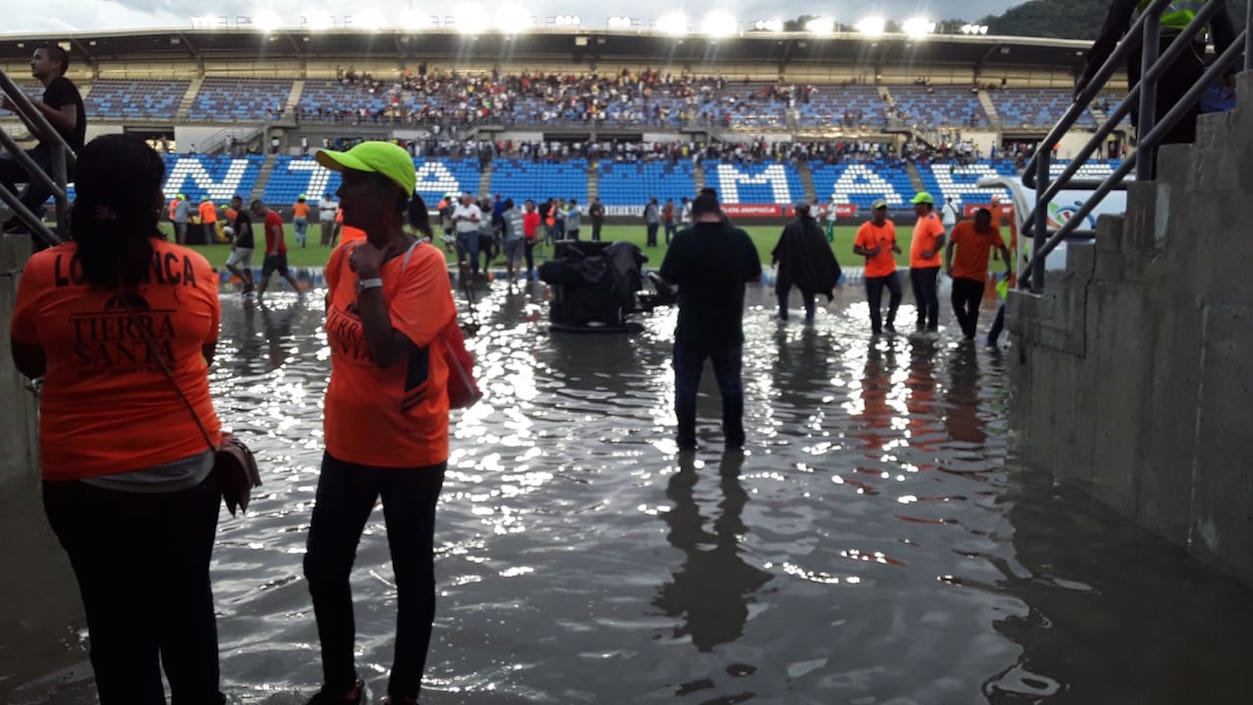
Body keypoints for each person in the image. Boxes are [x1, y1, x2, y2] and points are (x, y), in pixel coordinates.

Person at [9, 133, 225, 705]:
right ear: (154, 202)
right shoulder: (194, 268)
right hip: (185, 475)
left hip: (83, 482)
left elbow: (29, 358)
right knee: (188, 614)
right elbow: (202, 355)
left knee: (114, 626)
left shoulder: (40, 271)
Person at [306, 141, 457, 705]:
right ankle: (341, 686)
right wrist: (359, 270)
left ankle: (404, 696)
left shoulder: (425, 264)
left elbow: (388, 349)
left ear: (390, 194)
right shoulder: (343, 253)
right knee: (322, 565)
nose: (339, 191)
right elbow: (338, 329)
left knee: (411, 574)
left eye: (352, 182)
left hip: (409, 449)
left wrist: (371, 280)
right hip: (346, 441)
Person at [657, 191, 762, 451]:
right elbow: (756, 276)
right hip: (728, 328)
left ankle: (686, 443)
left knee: (686, 388)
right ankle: (734, 443)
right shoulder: (739, 238)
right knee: (731, 387)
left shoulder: (683, 240)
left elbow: (667, 279)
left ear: (693, 215)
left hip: (692, 328)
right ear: (720, 211)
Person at [1077, 0, 1236, 151]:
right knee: (1182, 134)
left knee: (1150, 136)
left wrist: (1090, 73)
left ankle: (1153, 174)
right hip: (1189, 57)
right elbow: (1221, 21)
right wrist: (1230, 69)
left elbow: (1114, 25)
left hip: (1149, 57)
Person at [0, 45, 86, 242]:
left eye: (38, 58)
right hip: (49, 153)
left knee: (37, 178)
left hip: (58, 156)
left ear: (55, 64)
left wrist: (34, 104)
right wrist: (20, 110)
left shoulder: (61, 85)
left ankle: (23, 212)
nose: (32, 62)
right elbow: (43, 135)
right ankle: (24, 211)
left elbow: (69, 121)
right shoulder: (50, 92)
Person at [945, 207, 1012, 341]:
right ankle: (967, 330)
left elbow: (1003, 248)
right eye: (980, 223)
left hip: (978, 278)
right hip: (960, 274)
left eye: (985, 224)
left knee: (973, 307)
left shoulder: (992, 231)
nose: (982, 227)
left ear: (988, 223)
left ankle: (970, 335)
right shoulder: (962, 227)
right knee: (957, 303)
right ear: (975, 219)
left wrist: (1008, 267)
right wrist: (948, 265)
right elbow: (950, 245)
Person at [771, 199, 841, 323]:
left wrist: (775, 258)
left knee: (783, 290)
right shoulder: (816, 229)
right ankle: (810, 317)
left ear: (798, 212)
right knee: (808, 292)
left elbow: (781, 245)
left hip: (789, 266)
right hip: (807, 267)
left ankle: (783, 315)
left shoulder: (791, 227)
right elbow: (824, 250)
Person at [853, 199, 904, 335]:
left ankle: (889, 323)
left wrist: (896, 248)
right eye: (880, 210)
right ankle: (876, 330)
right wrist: (869, 253)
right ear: (873, 211)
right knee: (874, 303)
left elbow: (892, 242)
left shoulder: (890, 226)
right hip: (873, 273)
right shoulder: (864, 229)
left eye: (884, 210)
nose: (883, 212)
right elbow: (856, 249)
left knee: (897, 293)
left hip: (889, 269)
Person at [909, 191, 946, 333]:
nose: (914, 207)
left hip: (928, 266)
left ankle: (932, 325)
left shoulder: (931, 219)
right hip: (918, 265)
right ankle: (921, 320)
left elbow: (941, 237)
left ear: (924, 205)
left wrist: (932, 251)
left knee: (929, 295)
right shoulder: (923, 218)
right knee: (919, 295)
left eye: (916, 204)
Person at [253, 200, 301, 300]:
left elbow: (277, 232)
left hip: (274, 251)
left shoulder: (270, 217)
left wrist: (274, 250)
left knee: (265, 274)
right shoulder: (273, 214)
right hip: (281, 250)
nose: (256, 215)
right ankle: (300, 293)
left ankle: (259, 296)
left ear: (259, 208)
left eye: (255, 212)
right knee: (285, 273)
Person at [224, 195, 255, 295]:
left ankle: (246, 282)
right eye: (232, 202)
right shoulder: (241, 215)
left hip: (243, 245)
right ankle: (250, 285)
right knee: (246, 266)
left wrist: (235, 242)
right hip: (250, 245)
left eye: (234, 202)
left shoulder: (241, 215)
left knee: (230, 264)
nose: (232, 204)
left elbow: (244, 229)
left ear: (240, 203)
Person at [452, 192, 482, 276]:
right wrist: (457, 218)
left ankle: (474, 270)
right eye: (464, 200)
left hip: (471, 233)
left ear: (469, 200)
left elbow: (478, 219)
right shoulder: (459, 208)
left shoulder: (475, 208)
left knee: (473, 252)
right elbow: (453, 218)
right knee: (461, 253)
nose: (465, 202)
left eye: (466, 200)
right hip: (461, 233)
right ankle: (463, 271)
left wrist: (467, 218)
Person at [502, 198, 526, 280]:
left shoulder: (504, 215)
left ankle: (509, 274)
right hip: (520, 237)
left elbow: (503, 228)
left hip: (510, 238)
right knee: (518, 258)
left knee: (510, 258)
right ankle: (517, 276)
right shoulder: (520, 212)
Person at [522, 199, 540, 276]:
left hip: (531, 237)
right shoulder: (526, 215)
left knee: (528, 253)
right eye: (527, 205)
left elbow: (536, 227)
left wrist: (535, 238)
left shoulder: (535, 215)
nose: (528, 206)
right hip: (525, 236)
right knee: (527, 253)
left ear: (533, 206)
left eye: (529, 205)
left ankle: (530, 268)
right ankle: (529, 268)